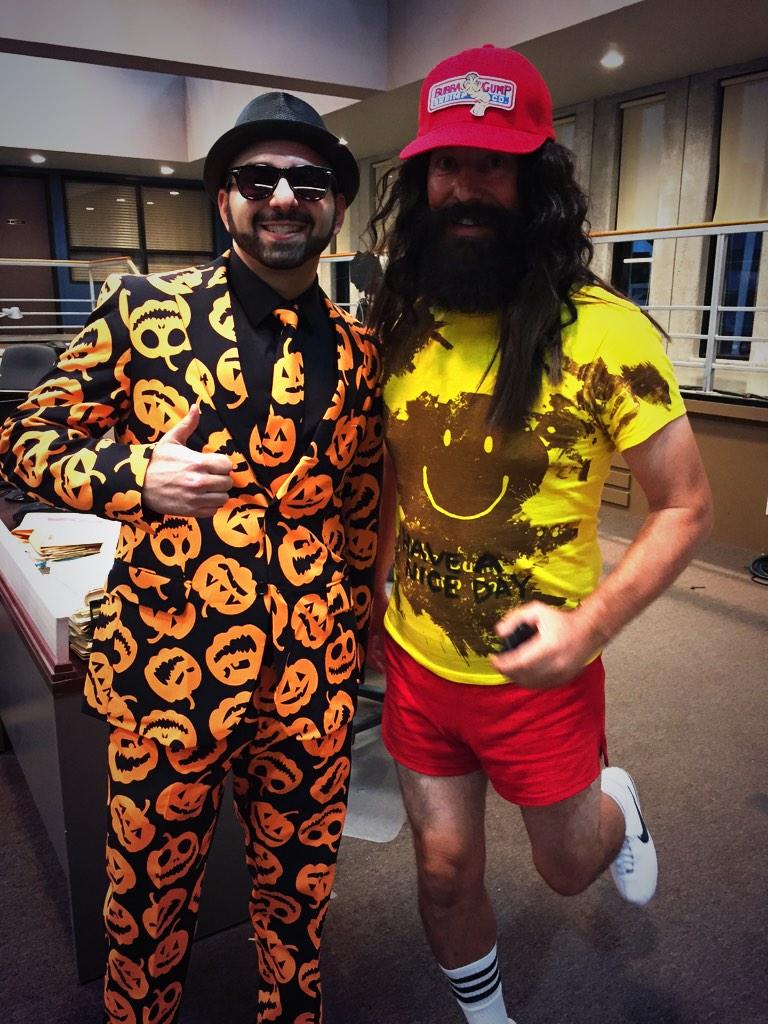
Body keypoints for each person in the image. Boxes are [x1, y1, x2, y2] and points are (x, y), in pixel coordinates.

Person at [0, 91, 382, 1024]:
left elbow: (363, 506)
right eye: (259, 178)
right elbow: (20, 438)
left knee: (300, 895)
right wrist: (135, 475)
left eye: (309, 181)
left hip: (314, 678)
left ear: (336, 205)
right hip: (166, 676)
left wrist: (360, 634)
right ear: (224, 200)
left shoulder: (364, 349)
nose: (283, 196)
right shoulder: (141, 311)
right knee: (145, 902)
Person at [366, 45, 712, 1024]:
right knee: (442, 867)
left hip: (543, 674)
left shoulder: (603, 331)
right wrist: (369, 599)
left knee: (564, 869)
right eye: (446, 163)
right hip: (421, 659)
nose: (465, 186)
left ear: (536, 179)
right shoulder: (402, 322)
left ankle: (617, 801)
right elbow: (396, 476)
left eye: (492, 163)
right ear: (421, 182)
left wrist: (590, 627)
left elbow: (685, 504)